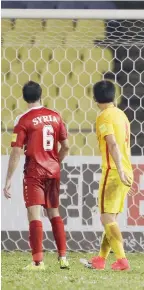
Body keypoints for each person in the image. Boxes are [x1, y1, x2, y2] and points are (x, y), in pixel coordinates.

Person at [3, 81, 70, 270]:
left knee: (34, 214)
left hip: (34, 172)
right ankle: (63, 257)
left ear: (24, 98)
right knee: (54, 212)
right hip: (53, 171)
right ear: (41, 95)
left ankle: (38, 262)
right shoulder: (56, 117)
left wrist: (8, 179)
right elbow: (66, 146)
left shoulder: (23, 120)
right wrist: (57, 162)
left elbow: (16, 151)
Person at [83, 80, 133, 271]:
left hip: (114, 171)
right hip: (127, 170)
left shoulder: (104, 117)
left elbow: (112, 144)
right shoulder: (121, 115)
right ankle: (101, 259)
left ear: (95, 98)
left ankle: (122, 260)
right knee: (110, 218)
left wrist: (118, 169)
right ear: (114, 95)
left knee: (106, 219)